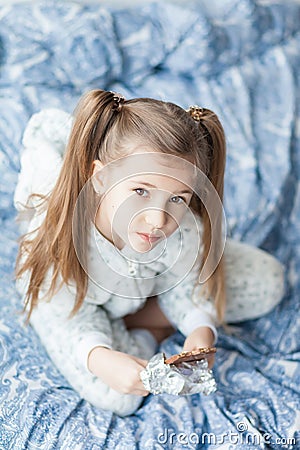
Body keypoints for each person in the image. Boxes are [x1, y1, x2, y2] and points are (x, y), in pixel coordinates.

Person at [14, 89, 284, 416]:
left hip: (145, 283)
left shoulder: (179, 228)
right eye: (141, 191)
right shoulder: (61, 234)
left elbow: (187, 282)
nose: (158, 220)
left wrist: (200, 328)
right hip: (71, 302)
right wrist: (97, 355)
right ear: (100, 178)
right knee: (120, 396)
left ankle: (144, 315)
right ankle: (144, 327)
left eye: (178, 198)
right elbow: (57, 313)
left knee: (267, 281)